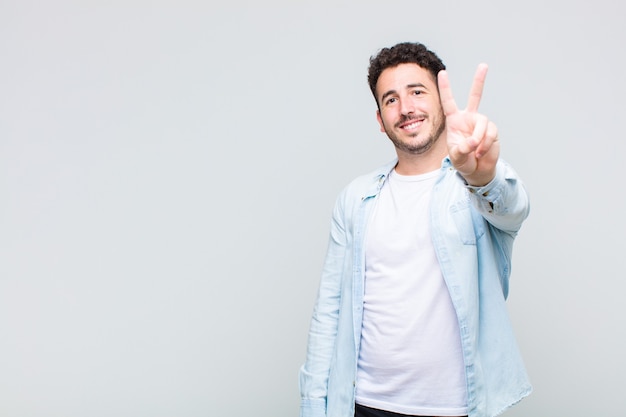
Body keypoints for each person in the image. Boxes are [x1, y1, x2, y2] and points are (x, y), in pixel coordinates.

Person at [298, 42, 532, 417]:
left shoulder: (474, 187)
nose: (405, 108)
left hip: (455, 408)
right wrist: (313, 405)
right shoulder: (356, 198)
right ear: (380, 120)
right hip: (363, 404)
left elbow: (512, 209)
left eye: (417, 92)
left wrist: (482, 173)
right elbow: (329, 311)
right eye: (390, 100)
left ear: (441, 100)